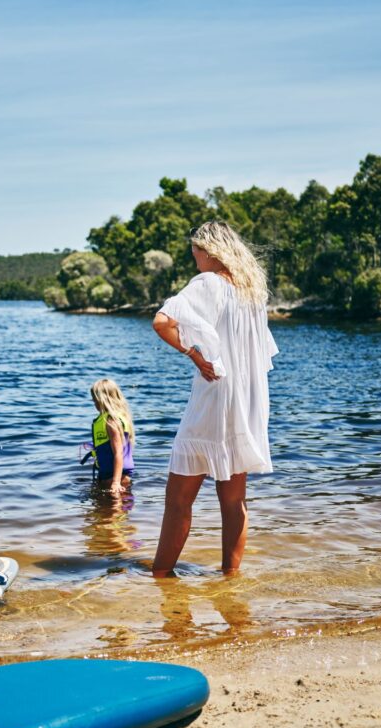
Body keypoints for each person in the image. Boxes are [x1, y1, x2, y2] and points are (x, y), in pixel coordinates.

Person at [151, 221, 278, 577]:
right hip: (247, 400)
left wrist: (194, 354)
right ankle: (230, 579)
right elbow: (261, 353)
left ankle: (160, 577)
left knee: (178, 500)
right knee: (234, 500)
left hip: (215, 396)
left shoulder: (208, 283)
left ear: (210, 250)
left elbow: (162, 322)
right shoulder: (252, 292)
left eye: (195, 249)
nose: (193, 256)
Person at [86, 378, 135, 495]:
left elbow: (118, 453)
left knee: (115, 506)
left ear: (103, 400)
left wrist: (116, 482)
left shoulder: (111, 421)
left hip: (116, 479)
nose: (94, 404)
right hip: (111, 477)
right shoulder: (116, 418)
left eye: (95, 400)